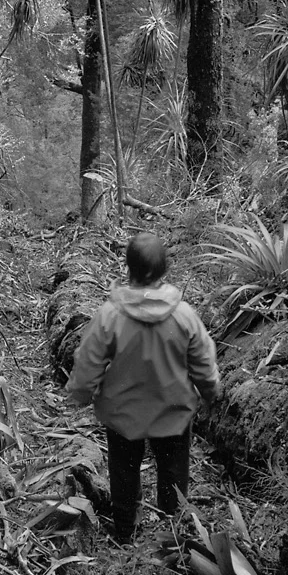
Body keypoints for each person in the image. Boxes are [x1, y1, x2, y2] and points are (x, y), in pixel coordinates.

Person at [65, 232, 220, 545]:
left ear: (128, 269)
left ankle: (125, 531)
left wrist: (79, 395)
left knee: (124, 472)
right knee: (174, 472)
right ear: (164, 269)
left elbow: (89, 361)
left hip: (123, 415)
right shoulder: (184, 315)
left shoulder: (111, 315)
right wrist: (211, 392)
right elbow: (203, 360)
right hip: (173, 412)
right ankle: (174, 531)